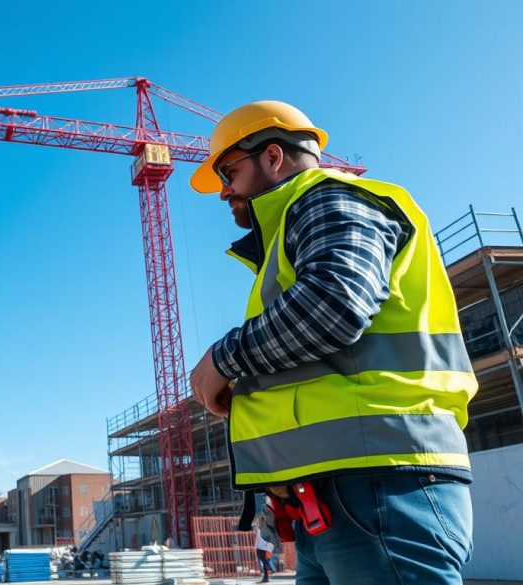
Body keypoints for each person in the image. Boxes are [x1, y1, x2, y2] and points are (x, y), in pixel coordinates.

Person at [188, 101, 477, 584]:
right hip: (337, 495)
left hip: (380, 484)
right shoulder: (298, 225)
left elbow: (334, 305)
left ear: (273, 157)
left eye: (229, 171)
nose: (223, 191)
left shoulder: (330, 199)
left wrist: (225, 358)